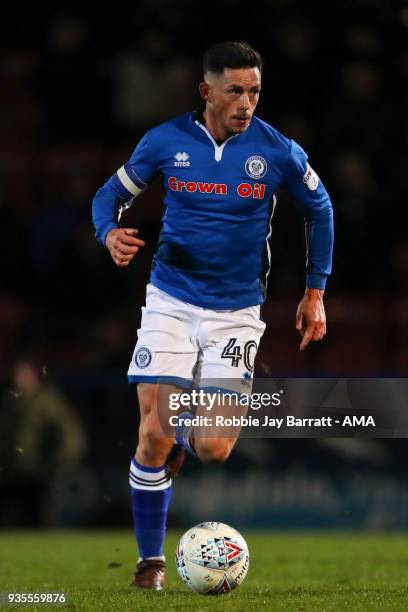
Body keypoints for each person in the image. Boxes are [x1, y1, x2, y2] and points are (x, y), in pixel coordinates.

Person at [92, 40, 334, 590]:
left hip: (235, 314)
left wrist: (314, 292)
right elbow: (109, 194)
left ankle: (186, 439)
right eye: (235, 91)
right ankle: (150, 564)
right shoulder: (165, 142)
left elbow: (320, 208)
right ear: (207, 91)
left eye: (254, 91)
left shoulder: (277, 151)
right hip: (171, 301)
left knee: (213, 449)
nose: (246, 102)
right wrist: (108, 232)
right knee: (153, 432)